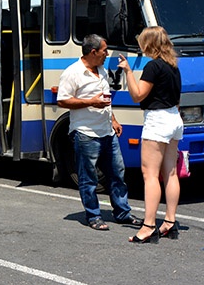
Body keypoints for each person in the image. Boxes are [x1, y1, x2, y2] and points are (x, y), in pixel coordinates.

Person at [57, 34, 140, 231]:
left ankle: (122, 213)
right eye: (104, 50)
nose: (107, 54)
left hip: (107, 132)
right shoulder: (72, 73)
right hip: (86, 133)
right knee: (89, 177)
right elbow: (62, 100)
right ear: (93, 52)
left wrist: (113, 120)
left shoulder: (101, 70)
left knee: (117, 173)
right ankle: (93, 215)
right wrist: (89, 102)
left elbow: (105, 100)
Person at [118, 26, 183, 244]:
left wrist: (127, 71)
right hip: (174, 118)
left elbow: (137, 96)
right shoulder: (173, 66)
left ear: (149, 44)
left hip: (158, 120)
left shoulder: (152, 66)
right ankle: (170, 222)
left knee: (150, 174)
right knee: (171, 172)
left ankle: (148, 226)